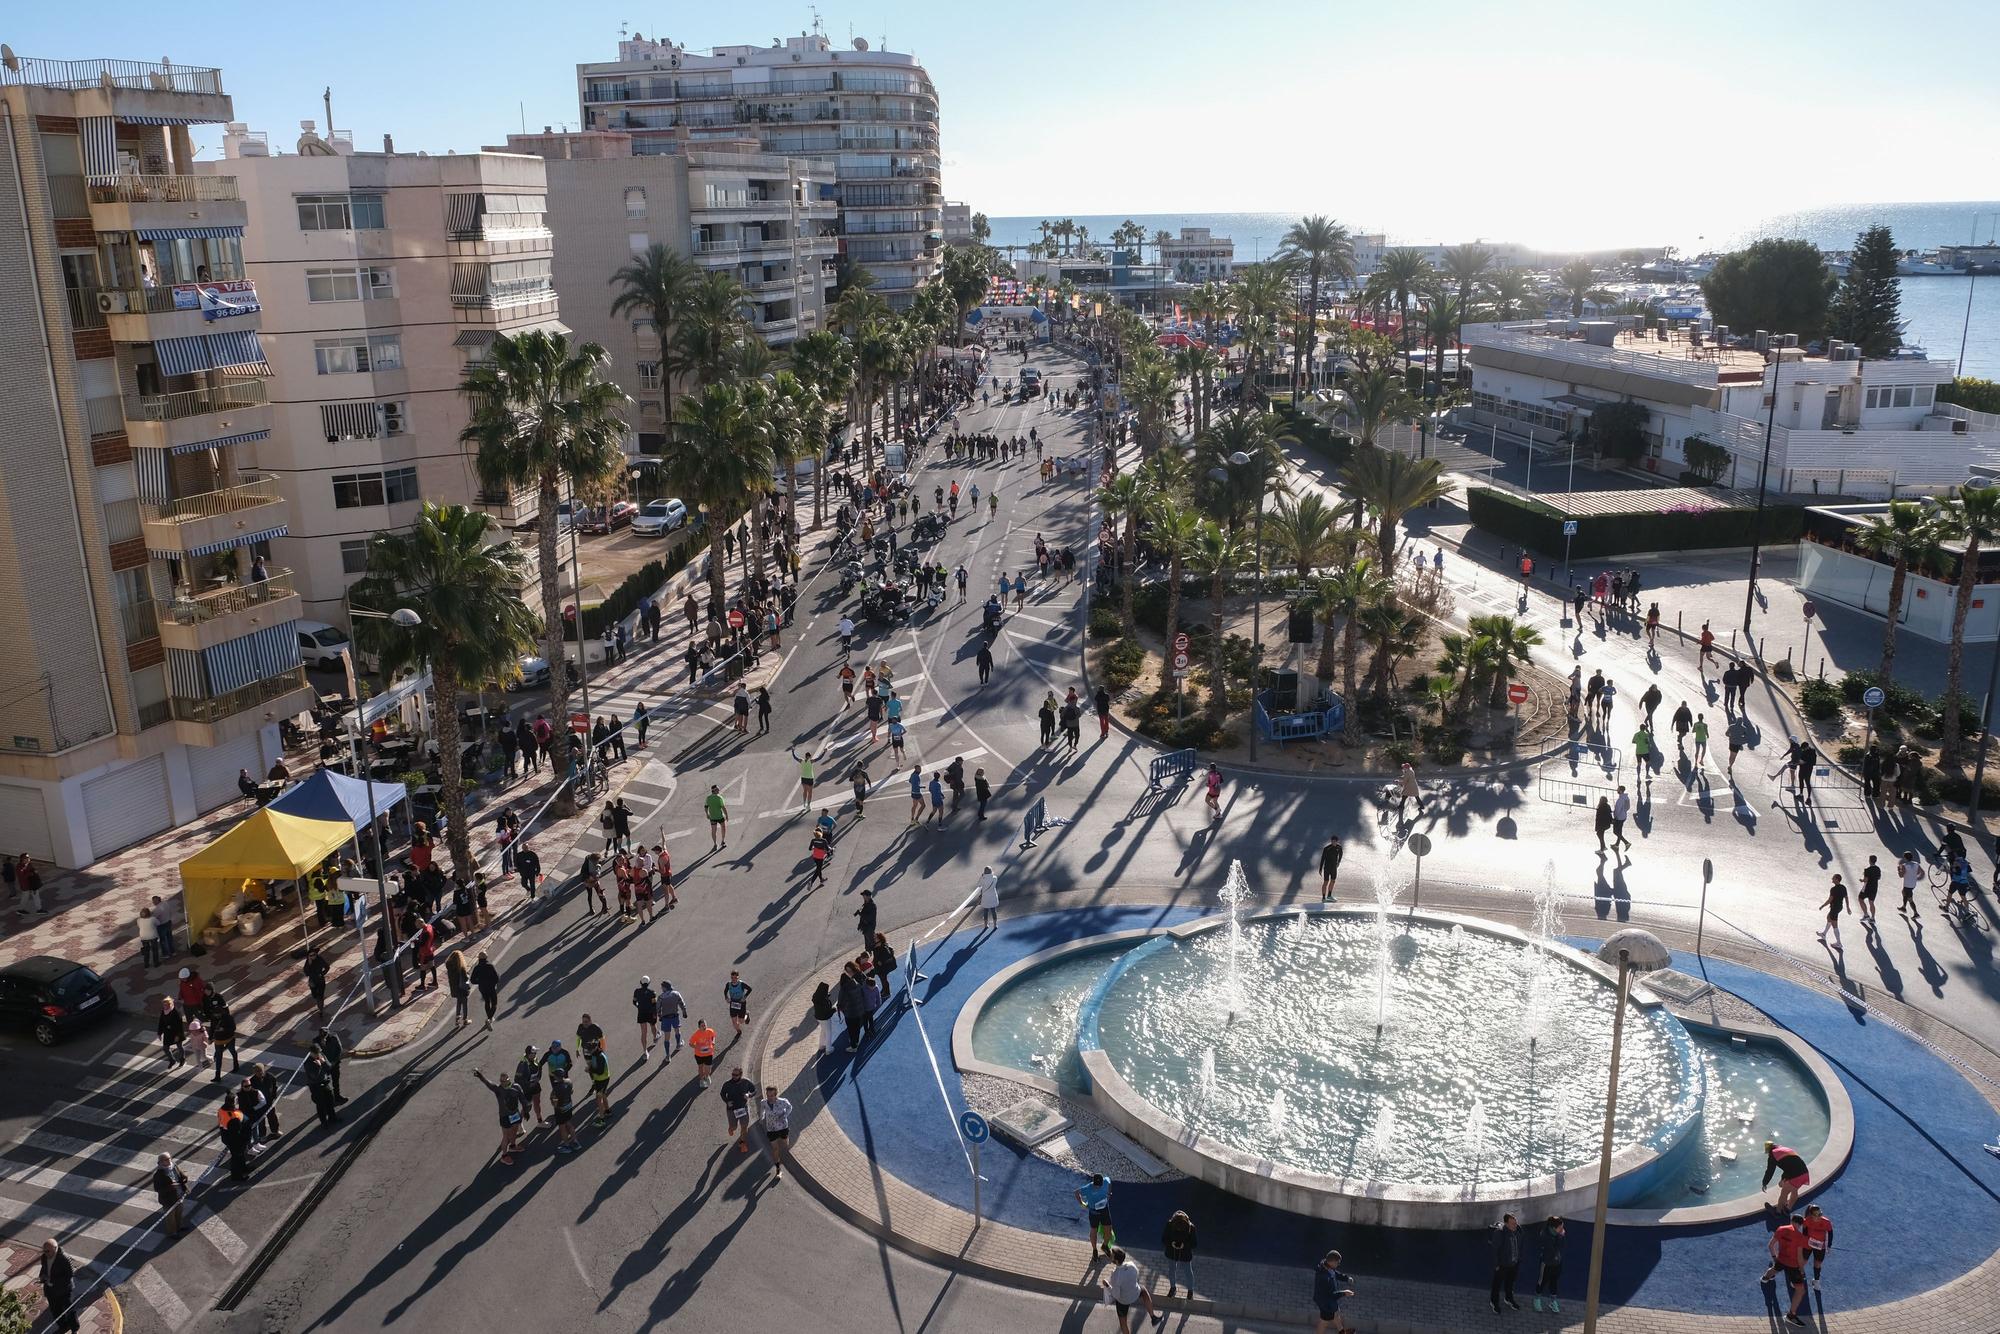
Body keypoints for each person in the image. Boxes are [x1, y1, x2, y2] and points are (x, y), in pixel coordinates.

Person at [1762, 1211, 1811, 1326]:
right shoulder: (1800, 1237)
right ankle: (1791, 1315)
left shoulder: (1781, 1229)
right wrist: (1802, 1271)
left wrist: (1775, 1257)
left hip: (1781, 1258)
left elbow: (1771, 1245)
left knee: (1775, 1269)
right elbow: (1799, 1257)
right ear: (1800, 1224)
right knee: (1800, 1290)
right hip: (1793, 1265)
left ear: (1791, 1220)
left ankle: (1765, 1278)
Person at [1100, 1247, 1166, 1331]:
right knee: (1144, 1291)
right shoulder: (1132, 1265)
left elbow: (1116, 1295)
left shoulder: (1115, 1275)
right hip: (1135, 1293)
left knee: (1123, 1323)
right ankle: (1153, 1317)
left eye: (1112, 1256)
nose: (1110, 1257)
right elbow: (1136, 1275)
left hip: (1124, 1301)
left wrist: (1108, 1285)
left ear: (1116, 1261)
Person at [473, 1069, 524, 1167]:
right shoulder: (498, 1089)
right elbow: (488, 1083)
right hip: (505, 1117)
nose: (504, 1082)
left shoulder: (515, 1087)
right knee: (506, 1136)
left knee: (515, 1130)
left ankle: (513, 1146)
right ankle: (504, 1156)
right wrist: (481, 1076)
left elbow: (521, 1098)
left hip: (515, 1114)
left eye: (505, 1080)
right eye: (502, 1081)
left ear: (509, 1079)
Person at [1311, 1250, 1356, 1334]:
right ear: (1332, 1262)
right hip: (1325, 1303)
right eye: (1338, 1263)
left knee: (1336, 1313)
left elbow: (1335, 1274)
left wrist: (1346, 1278)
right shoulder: (1324, 1277)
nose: (1338, 1264)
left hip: (1328, 1301)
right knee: (1323, 1322)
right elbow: (1331, 1295)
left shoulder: (1327, 1266)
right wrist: (1344, 1293)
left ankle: (1341, 1332)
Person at [39, 1239, 78, 1334]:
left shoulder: (64, 1258)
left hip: (64, 1290)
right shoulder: (44, 1257)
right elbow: (44, 1268)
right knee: (55, 1311)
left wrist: (52, 1281)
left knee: (70, 1311)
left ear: (55, 1248)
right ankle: (63, 1327)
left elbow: (70, 1274)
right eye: (44, 1251)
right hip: (50, 1290)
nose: (45, 1253)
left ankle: (74, 1329)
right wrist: (42, 1276)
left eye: (47, 1251)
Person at [1763, 1140, 1811, 1214]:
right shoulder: (1783, 1149)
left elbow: (1770, 1171)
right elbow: (1790, 1164)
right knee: (1794, 1190)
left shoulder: (1773, 1155)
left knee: (1784, 1193)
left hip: (1794, 1176)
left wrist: (1765, 1183)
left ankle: (1778, 1212)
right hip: (1804, 1173)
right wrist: (1783, 1179)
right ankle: (1788, 1209)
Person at [1489, 1212, 1522, 1312]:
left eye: (1515, 1222)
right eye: (1512, 1223)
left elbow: (1520, 1244)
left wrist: (1519, 1259)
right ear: (1506, 1224)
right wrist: (1497, 1265)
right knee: (1497, 1285)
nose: (1515, 1225)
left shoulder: (1518, 1230)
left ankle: (1509, 1298)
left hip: (1514, 1263)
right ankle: (1494, 1302)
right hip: (1502, 1265)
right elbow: (1495, 1250)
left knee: (1510, 1283)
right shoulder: (1500, 1233)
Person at [758, 1085, 793, 1180]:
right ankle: (778, 1169)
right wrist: (761, 1119)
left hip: (782, 1127)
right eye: (768, 1095)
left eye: (771, 1095)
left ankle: (786, 1152)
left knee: (785, 1144)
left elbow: (790, 1107)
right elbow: (762, 1111)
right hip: (771, 1129)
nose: (769, 1097)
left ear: (775, 1095)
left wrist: (784, 1115)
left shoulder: (783, 1101)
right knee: (775, 1149)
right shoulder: (764, 1103)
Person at [1076, 1172, 1116, 1256]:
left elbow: (1109, 1182)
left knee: (1108, 1230)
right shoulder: (1088, 1188)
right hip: (1093, 1212)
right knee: (1094, 1231)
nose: (1098, 1187)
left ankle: (1104, 1246)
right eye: (1096, 1185)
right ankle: (1094, 1250)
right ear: (1093, 1183)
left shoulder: (1105, 1181)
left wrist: (1109, 1194)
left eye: (1099, 1185)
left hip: (1104, 1209)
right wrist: (1082, 1204)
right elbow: (1076, 1192)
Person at [1161, 1210, 1197, 1300]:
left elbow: (1194, 1244)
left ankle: (1190, 1291)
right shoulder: (1170, 1225)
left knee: (1188, 1271)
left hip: (1184, 1254)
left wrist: (1184, 1245)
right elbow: (1164, 1239)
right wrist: (1171, 1243)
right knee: (1172, 1270)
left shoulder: (1191, 1228)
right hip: (1172, 1252)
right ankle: (1173, 1288)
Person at [720, 1066, 757, 1153]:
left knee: (744, 1126)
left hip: (742, 1108)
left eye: (736, 1075)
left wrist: (749, 1095)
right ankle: (731, 1128)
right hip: (731, 1110)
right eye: (733, 1074)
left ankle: (742, 1143)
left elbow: (754, 1090)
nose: (733, 1076)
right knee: (734, 1127)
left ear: (740, 1074)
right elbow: (722, 1094)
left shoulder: (746, 1082)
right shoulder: (727, 1084)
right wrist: (727, 1101)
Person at [1533, 1215, 1565, 1312]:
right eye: (1560, 1228)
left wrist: (1560, 1236)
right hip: (1546, 1263)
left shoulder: (1557, 1234)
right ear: (1553, 1228)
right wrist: (1560, 1236)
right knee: (1542, 1281)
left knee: (1554, 1282)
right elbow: (1553, 1250)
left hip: (1557, 1263)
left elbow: (1561, 1247)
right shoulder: (1545, 1236)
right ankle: (1537, 1299)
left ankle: (1553, 1301)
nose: (1562, 1229)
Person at [154, 1152, 190, 1237]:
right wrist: (171, 1187)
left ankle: (179, 1227)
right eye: (166, 1159)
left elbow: (180, 1174)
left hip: (179, 1195)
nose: (169, 1160)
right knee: (170, 1217)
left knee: (179, 1213)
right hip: (168, 1200)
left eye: (169, 1158)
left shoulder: (174, 1166)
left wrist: (184, 1177)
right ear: (161, 1162)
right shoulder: (158, 1175)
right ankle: (172, 1233)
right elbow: (158, 1189)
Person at [1801, 1203, 1834, 1290]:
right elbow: (1804, 1232)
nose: (1819, 1216)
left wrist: (1829, 1245)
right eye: (1817, 1215)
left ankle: (1816, 1281)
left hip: (1820, 1246)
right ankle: (1797, 1277)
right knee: (1803, 1261)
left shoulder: (1826, 1222)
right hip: (1808, 1244)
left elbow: (1830, 1233)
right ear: (1811, 1215)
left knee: (1818, 1263)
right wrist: (1804, 1242)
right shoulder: (1806, 1221)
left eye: (1820, 1214)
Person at [1816, 874, 1847, 951]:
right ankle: (1824, 934)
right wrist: (1848, 907)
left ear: (1837, 879)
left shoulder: (1833, 889)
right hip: (1839, 907)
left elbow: (1830, 900)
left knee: (1835, 925)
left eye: (1833, 878)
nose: (1832, 879)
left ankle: (1839, 943)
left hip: (1834, 908)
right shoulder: (1843, 887)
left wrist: (1823, 906)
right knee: (1828, 918)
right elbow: (1846, 897)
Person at [633, 976, 660, 1061]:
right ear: (649, 983)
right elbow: (654, 1005)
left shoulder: (636, 991)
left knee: (643, 1033)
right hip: (650, 1013)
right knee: (653, 1026)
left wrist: (639, 1006)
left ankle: (645, 1052)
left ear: (641, 983)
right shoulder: (652, 993)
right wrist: (655, 1014)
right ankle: (655, 1038)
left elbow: (634, 1002)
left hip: (641, 1013)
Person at [471, 951, 500, 1029]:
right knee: (494, 1003)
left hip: (482, 988)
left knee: (487, 1001)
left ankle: (489, 1018)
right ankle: (489, 1018)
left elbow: (472, 980)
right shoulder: (490, 966)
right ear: (486, 958)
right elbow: (496, 978)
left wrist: (480, 982)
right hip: (491, 987)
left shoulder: (477, 968)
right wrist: (493, 983)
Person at [659, 980, 689, 1054]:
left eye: (662, 987)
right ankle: (678, 1044)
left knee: (667, 1037)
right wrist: (684, 1012)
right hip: (675, 1016)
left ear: (665, 988)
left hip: (665, 1018)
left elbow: (658, 1008)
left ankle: (667, 1056)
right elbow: (682, 1003)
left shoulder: (661, 997)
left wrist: (660, 1016)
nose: (661, 988)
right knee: (677, 1030)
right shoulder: (676, 994)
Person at [157, 997, 187, 1067]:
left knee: (179, 1046)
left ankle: (182, 1059)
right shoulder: (163, 1011)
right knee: (165, 1048)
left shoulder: (176, 1012)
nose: (165, 1006)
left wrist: (177, 1036)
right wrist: (159, 1033)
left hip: (176, 1033)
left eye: (166, 1005)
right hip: (167, 1033)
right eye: (164, 1005)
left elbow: (180, 1026)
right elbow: (161, 1023)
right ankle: (172, 1060)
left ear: (170, 1004)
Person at [690, 1019, 717, 1088]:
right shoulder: (696, 1034)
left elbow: (713, 1036)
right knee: (701, 1067)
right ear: (699, 1027)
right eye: (702, 1026)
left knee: (708, 1069)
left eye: (705, 1025)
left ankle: (707, 1076)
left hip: (709, 1053)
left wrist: (713, 1041)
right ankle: (701, 1080)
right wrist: (697, 1047)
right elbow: (690, 1043)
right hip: (699, 1055)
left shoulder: (710, 1031)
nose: (704, 1027)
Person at [724, 971, 753, 1036]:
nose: (734, 979)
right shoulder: (728, 984)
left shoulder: (741, 984)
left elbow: (750, 989)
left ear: (738, 977)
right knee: (734, 1021)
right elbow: (725, 991)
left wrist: (745, 997)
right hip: (733, 1003)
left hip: (741, 1003)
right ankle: (738, 1031)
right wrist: (726, 998)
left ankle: (746, 1014)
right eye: (732, 978)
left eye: (735, 978)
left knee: (741, 1021)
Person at [1318, 835, 1343, 902]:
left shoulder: (1339, 847)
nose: (1333, 842)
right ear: (1331, 841)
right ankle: (1323, 898)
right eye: (1332, 841)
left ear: (1337, 841)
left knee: (1333, 881)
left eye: (1335, 841)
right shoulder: (1327, 848)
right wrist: (1320, 869)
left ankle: (1329, 896)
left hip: (1334, 868)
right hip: (1327, 868)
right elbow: (1322, 859)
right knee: (1326, 882)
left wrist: (1338, 862)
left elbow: (1340, 855)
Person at [705, 784, 729, 850]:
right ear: (714, 790)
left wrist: (707, 814)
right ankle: (723, 841)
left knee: (713, 831)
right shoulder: (719, 798)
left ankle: (715, 844)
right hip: (720, 816)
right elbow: (723, 807)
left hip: (712, 817)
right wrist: (726, 815)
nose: (719, 790)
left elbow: (706, 806)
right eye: (717, 789)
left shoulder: (708, 798)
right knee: (723, 828)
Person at [1611, 785, 1633, 851]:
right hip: (1623, 816)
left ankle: (1626, 843)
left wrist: (1615, 817)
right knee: (1619, 831)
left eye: (1618, 789)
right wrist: (1624, 811)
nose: (1617, 790)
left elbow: (1617, 810)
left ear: (1620, 790)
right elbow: (1628, 807)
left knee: (1615, 831)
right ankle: (1617, 845)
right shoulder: (1626, 797)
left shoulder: (1620, 799)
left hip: (1619, 818)